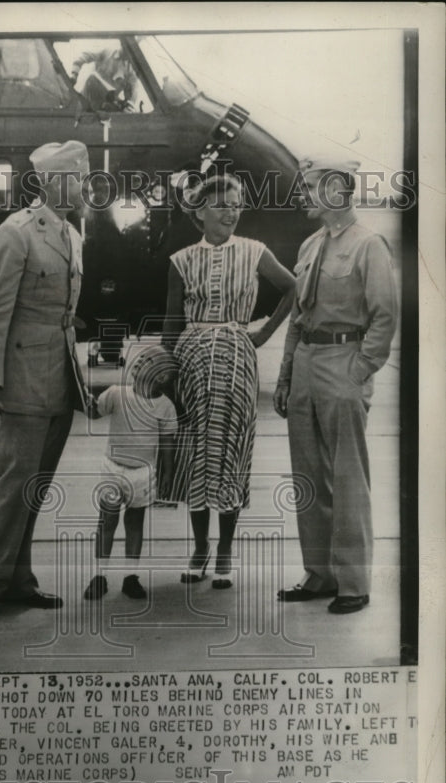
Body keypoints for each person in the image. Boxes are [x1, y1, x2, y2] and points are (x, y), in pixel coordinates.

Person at [0, 140, 90, 623]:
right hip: (20, 377)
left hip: (58, 376)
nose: (84, 186)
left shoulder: (71, 235)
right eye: (77, 178)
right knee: (13, 486)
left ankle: (19, 579)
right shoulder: (16, 233)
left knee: (35, 487)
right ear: (54, 181)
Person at [274, 156, 398, 614]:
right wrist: (286, 374)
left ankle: (354, 583)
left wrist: (360, 370)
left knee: (347, 476)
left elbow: (385, 316)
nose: (302, 193)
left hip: (343, 362)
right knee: (308, 476)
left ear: (336, 190)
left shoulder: (370, 246)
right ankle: (320, 573)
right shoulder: (309, 246)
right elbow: (298, 316)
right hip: (307, 363)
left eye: (308, 185)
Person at [162, 173, 295, 588]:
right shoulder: (181, 260)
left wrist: (262, 334)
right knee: (195, 452)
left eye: (236, 204)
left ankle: (224, 549)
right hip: (192, 359)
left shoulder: (255, 251)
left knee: (231, 451)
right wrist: (167, 373)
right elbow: (171, 322)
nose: (231, 211)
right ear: (199, 212)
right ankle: (200, 547)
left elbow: (292, 287)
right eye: (221, 204)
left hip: (237, 356)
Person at [84, 345, 178, 601]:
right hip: (113, 468)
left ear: (161, 377)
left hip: (144, 474)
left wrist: (167, 473)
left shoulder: (165, 407)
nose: (139, 361)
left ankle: (130, 576)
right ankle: (99, 576)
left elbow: (168, 443)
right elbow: (94, 412)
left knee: (135, 525)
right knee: (107, 523)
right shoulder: (116, 394)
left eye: (148, 360)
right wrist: (81, 397)